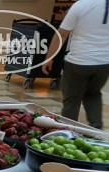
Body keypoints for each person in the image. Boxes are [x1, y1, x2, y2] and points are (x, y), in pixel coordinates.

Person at [42, 0, 109, 129]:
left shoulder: (81, 5)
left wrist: (49, 58)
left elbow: (62, 34)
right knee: (93, 95)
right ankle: (96, 131)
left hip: (78, 61)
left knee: (72, 100)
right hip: (104, 64)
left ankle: (69, 132)